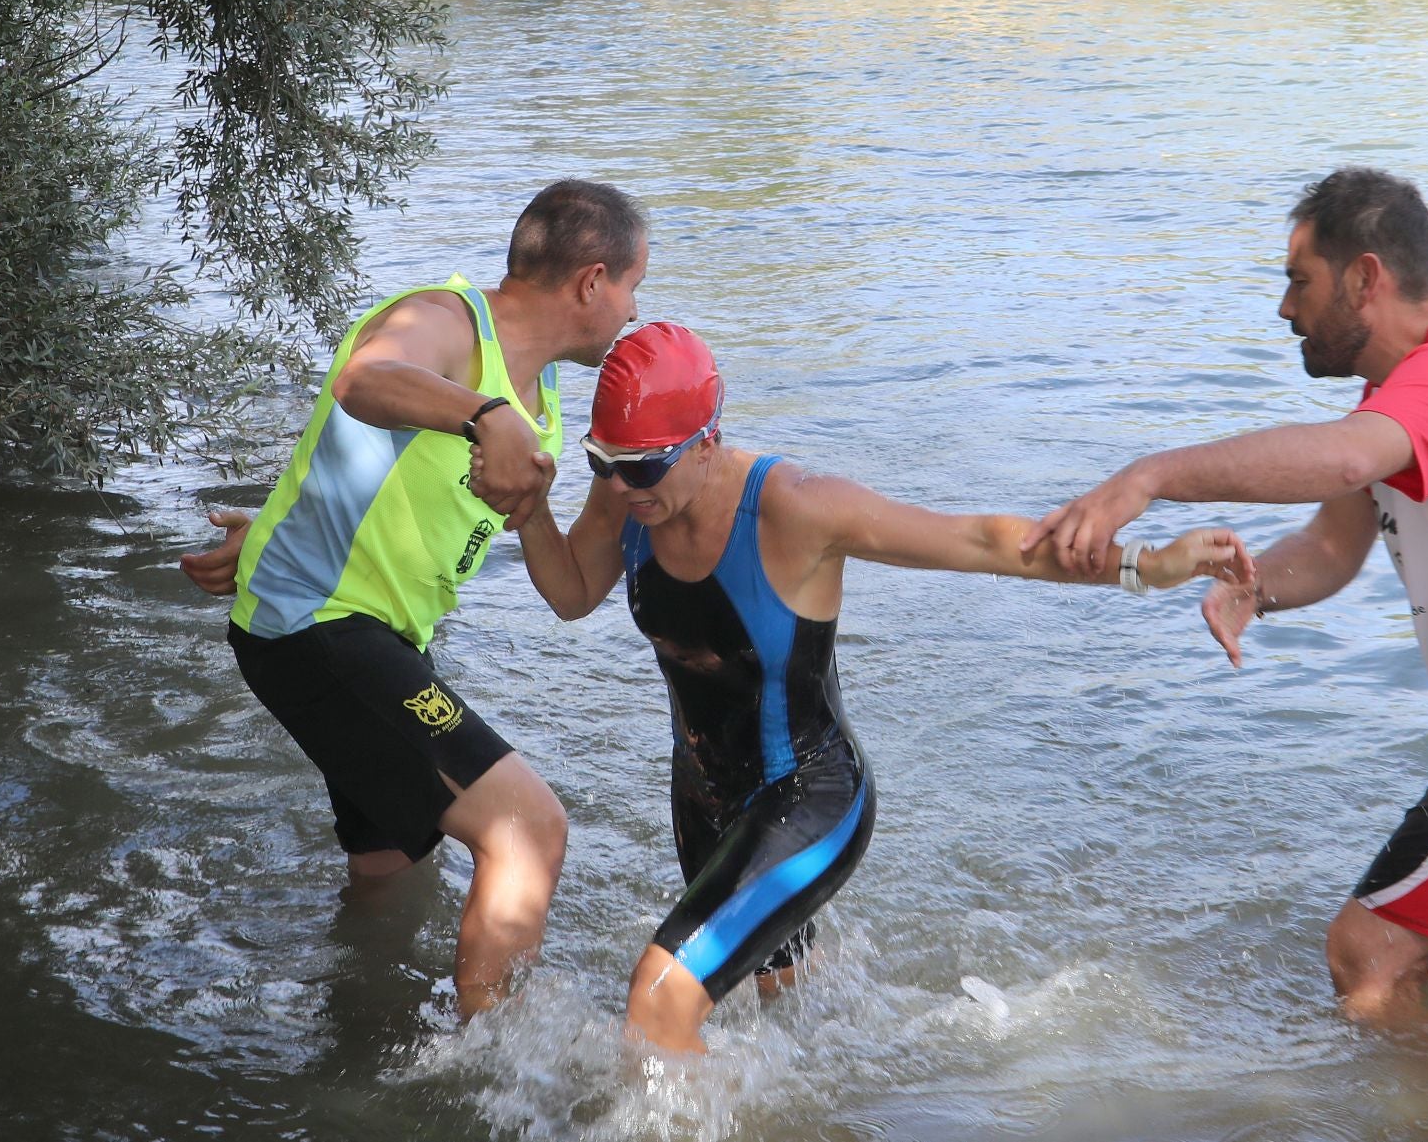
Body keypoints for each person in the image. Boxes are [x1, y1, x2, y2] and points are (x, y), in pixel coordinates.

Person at [1023, 167, 1428, 1023]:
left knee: (1366, 955)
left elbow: (1340, 458)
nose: (1284, 308)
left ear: (1365, 278)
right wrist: (1253, 591)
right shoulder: (1403, 397)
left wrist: (1148, 476)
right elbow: (1334, 545)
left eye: (1299, 279)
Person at [504, 321, 1254, 1052]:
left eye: (643, 465)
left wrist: (1144, 566)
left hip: (809, 797)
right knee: (787, 1009)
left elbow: (979, 540)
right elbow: (571, 592)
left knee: (657, 1002)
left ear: (707, 442)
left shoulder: (795, 507)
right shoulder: (629, 492)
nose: (621, 483)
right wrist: (531, 510)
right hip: (704, 800)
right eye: (606, 459)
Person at [178, 179, 649, 1017]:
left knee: (391, 866)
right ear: (591, 282)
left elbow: (571, 595)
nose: (632, 310)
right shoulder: (451, 319)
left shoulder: (539, 407)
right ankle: (488, 1074)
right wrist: (484, 416)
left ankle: (357, 1020)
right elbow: (365, 380)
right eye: (632, 288)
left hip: (367, 638)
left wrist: (614, 492)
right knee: (527, 830)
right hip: (319, 627)